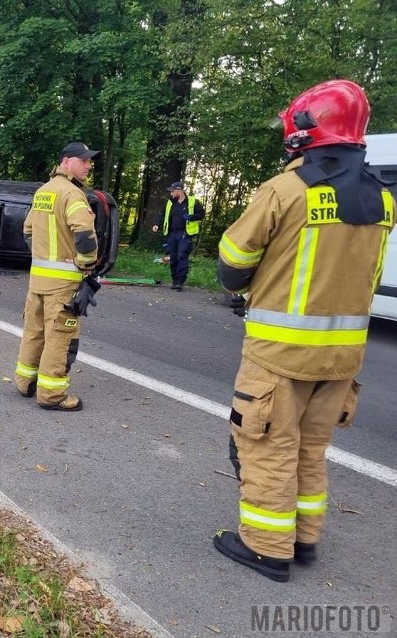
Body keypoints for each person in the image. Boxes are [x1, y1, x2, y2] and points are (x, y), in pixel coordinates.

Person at [212, 79, 395, 582]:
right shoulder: (384, 201)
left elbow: (231, 264)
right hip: (342, 357)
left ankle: (267, 547)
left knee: (268, 447)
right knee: (312, 450)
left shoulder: (285, 190)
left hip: (279, 353)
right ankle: (304, 538)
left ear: (304, 129)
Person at [13, 142, 99, 412]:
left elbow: (27, 231)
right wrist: (87, 264)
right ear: (66, 162)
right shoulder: (72, 194)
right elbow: (84, 233)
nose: (88, 165)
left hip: (38, 280)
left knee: (34, 331)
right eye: (83, 160)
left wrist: (43, 259)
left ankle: (25, 382)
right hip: (63, 284)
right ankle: (51, 395)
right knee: (60, 337)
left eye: (89, 161)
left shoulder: (43, 192)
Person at [151, 181, 205, 290]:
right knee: (173, 258)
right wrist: (157, 224)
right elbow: (163, 215)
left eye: (173, 191)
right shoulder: (170, 203)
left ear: (180, 190)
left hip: (185, 234)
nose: (171, 193)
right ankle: (174, 281)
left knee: (182, 256)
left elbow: (201, 215)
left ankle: (180, 282)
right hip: (172, 234)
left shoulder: (193, 202)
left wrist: (191, 217)